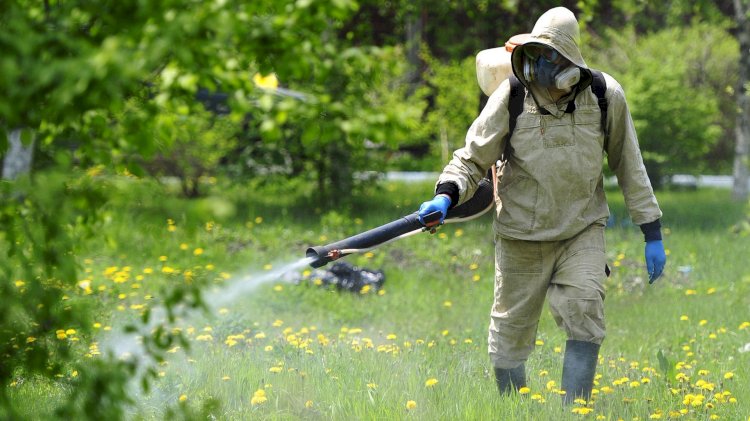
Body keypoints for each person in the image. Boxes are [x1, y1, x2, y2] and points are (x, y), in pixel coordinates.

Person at [417, 7, 666, 403]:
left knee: (585, 308)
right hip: (521, 234)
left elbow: (628, 163)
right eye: (537, 54)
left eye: (551, 56)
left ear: (570, 59)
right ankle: (515, 408)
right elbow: (472, 156)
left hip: (581, 229)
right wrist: (445, 195)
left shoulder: (604, 94)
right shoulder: (513, 94)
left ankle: (574, 408)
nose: (542, 64)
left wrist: (650, 230)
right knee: (509, 335)